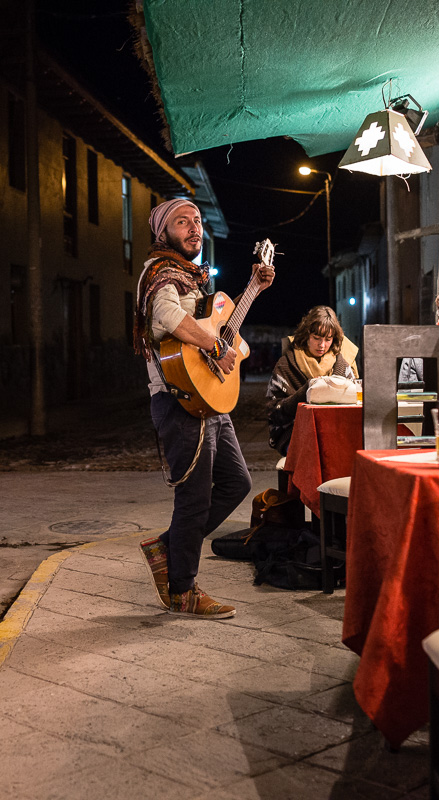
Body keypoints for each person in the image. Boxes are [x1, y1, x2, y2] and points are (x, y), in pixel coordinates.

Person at [134, 198, 274, 619]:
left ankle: (168, 546)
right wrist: (214, 345)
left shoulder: (192, 279)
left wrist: (254, 289)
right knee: (194, 499)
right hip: (179, 401)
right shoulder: (159, 273)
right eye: (183, 222)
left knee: (237, 483)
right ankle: (183, 590)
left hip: (209, 400)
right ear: (163, 232)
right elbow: (169, 321)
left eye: (197, 221)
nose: (194, 228)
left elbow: (221, 328)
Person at [266, 305, 360, 455]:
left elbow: (355, 405)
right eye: (316, 338)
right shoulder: (286, 365)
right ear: (306, 335)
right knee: (315, 452)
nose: (322, 345)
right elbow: (273, 413)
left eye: (328, 339)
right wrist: (307, 391)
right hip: (294, 433)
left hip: (336, 430)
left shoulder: (342, 366)